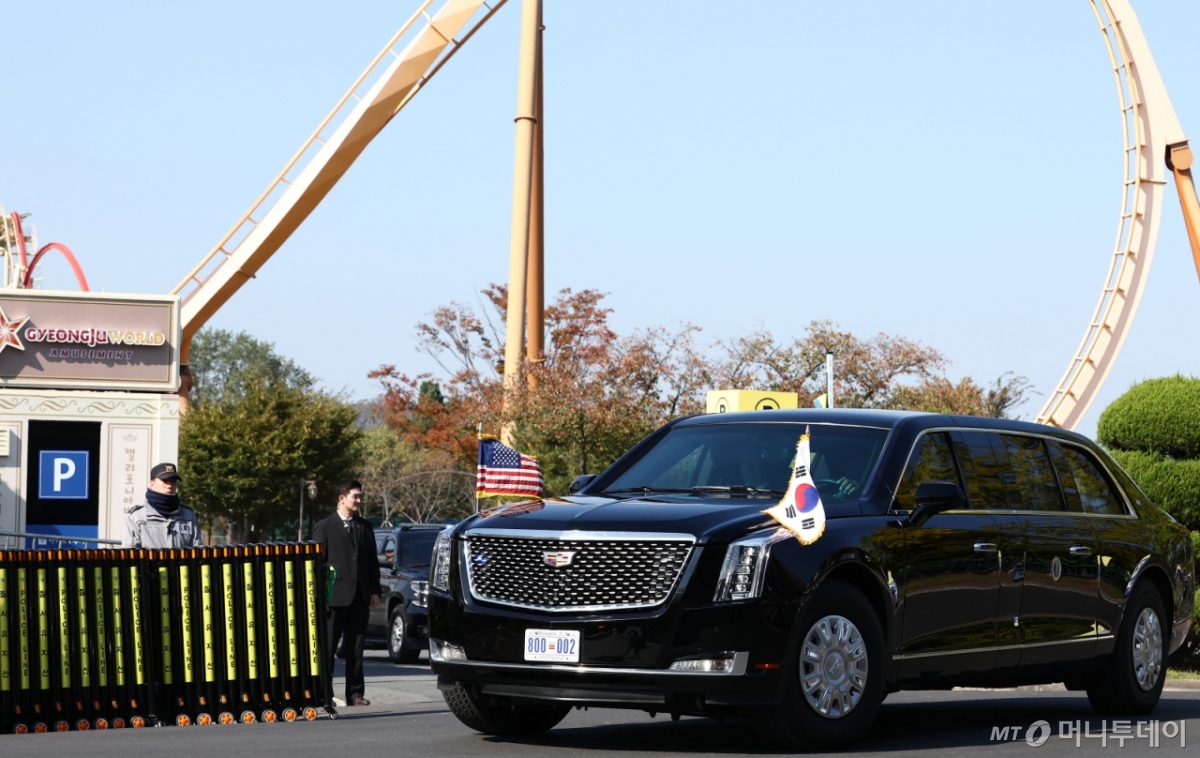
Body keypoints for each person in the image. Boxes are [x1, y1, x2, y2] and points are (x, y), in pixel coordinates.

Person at [313, 480, 380, 707]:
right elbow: (316, 565)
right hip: (334, 598)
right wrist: (320, 597)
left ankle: (355, 694)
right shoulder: (325, 526)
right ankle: (324, 694)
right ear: (342, 498)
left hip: (360, 597)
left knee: (356, 649)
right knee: (329, 648)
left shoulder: (364, 526)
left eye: (360, 496)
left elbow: (372, 562)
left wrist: (375, 590)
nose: (359, 500)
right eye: (355, 496)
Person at [122, 462, 204, 548]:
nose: (169, 485)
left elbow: (197, 551)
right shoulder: (136, 517)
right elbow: (130, 554)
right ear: (152, 483)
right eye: (164, 481)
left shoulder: (188, 516)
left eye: (173, 481)